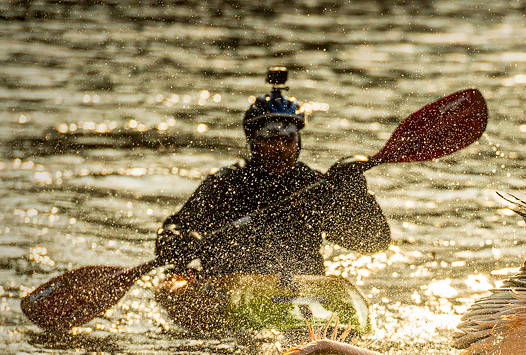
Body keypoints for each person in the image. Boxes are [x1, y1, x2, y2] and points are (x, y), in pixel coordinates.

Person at [155, 67, 390, 277]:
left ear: (298, 144)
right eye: (270, 139)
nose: (280, 149)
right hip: (232, 289)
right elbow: (171, 232)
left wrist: (356, 195)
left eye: (288, 140)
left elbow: (373, 243)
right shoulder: (225, 184)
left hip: (304, 290)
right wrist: (180, 240)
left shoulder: (313, 186)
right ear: (253, 143)